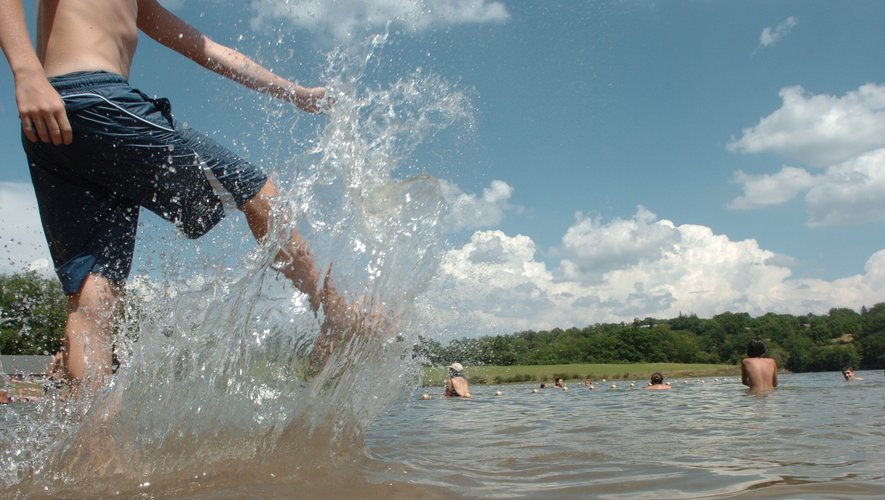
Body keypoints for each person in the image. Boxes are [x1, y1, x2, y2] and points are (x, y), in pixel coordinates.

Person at [0, 0, 348, 397]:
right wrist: (27, 73)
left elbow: (209, 50)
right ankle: (333, 309)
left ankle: (88, 434)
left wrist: (296, 94)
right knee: (258, 192)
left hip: (54, 127)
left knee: (94, 298)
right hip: (95, 101)